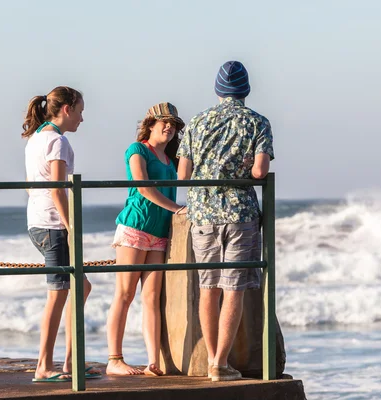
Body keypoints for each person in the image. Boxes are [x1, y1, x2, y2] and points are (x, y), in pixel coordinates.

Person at [177, 61, 274, 382]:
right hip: (240, 214)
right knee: (234, 289)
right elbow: (260, 173)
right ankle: (220, 362)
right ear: (245, 89)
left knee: (209, 287)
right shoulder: (257, 122)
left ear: (218, 90)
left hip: (202, 213)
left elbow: (183, 176)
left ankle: (211, 363)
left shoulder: (197, 122)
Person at [23, 86, 100, 382]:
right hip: (53, 225)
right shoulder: (57, 141)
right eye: (80, 111)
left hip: (37, 221)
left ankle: (71, 362)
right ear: (67, 109)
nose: (82, 118)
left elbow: (31, 186)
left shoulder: (36, 139)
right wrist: (71, 227)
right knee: (58, 294)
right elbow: (57, 188)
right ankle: (44, 365)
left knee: (80, 287)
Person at [106, 103, 187, 376]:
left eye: (173, 124)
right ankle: (114, 359)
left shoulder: (172, 158)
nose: (169, 127)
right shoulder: (137, 150)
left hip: (160, 232)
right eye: (164, 122)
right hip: (135, 227)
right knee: (125, 293)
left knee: (152, 297)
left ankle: (154, 362)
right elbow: (142, 186)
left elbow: (187, 178)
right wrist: (176, 208)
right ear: (150, 124)